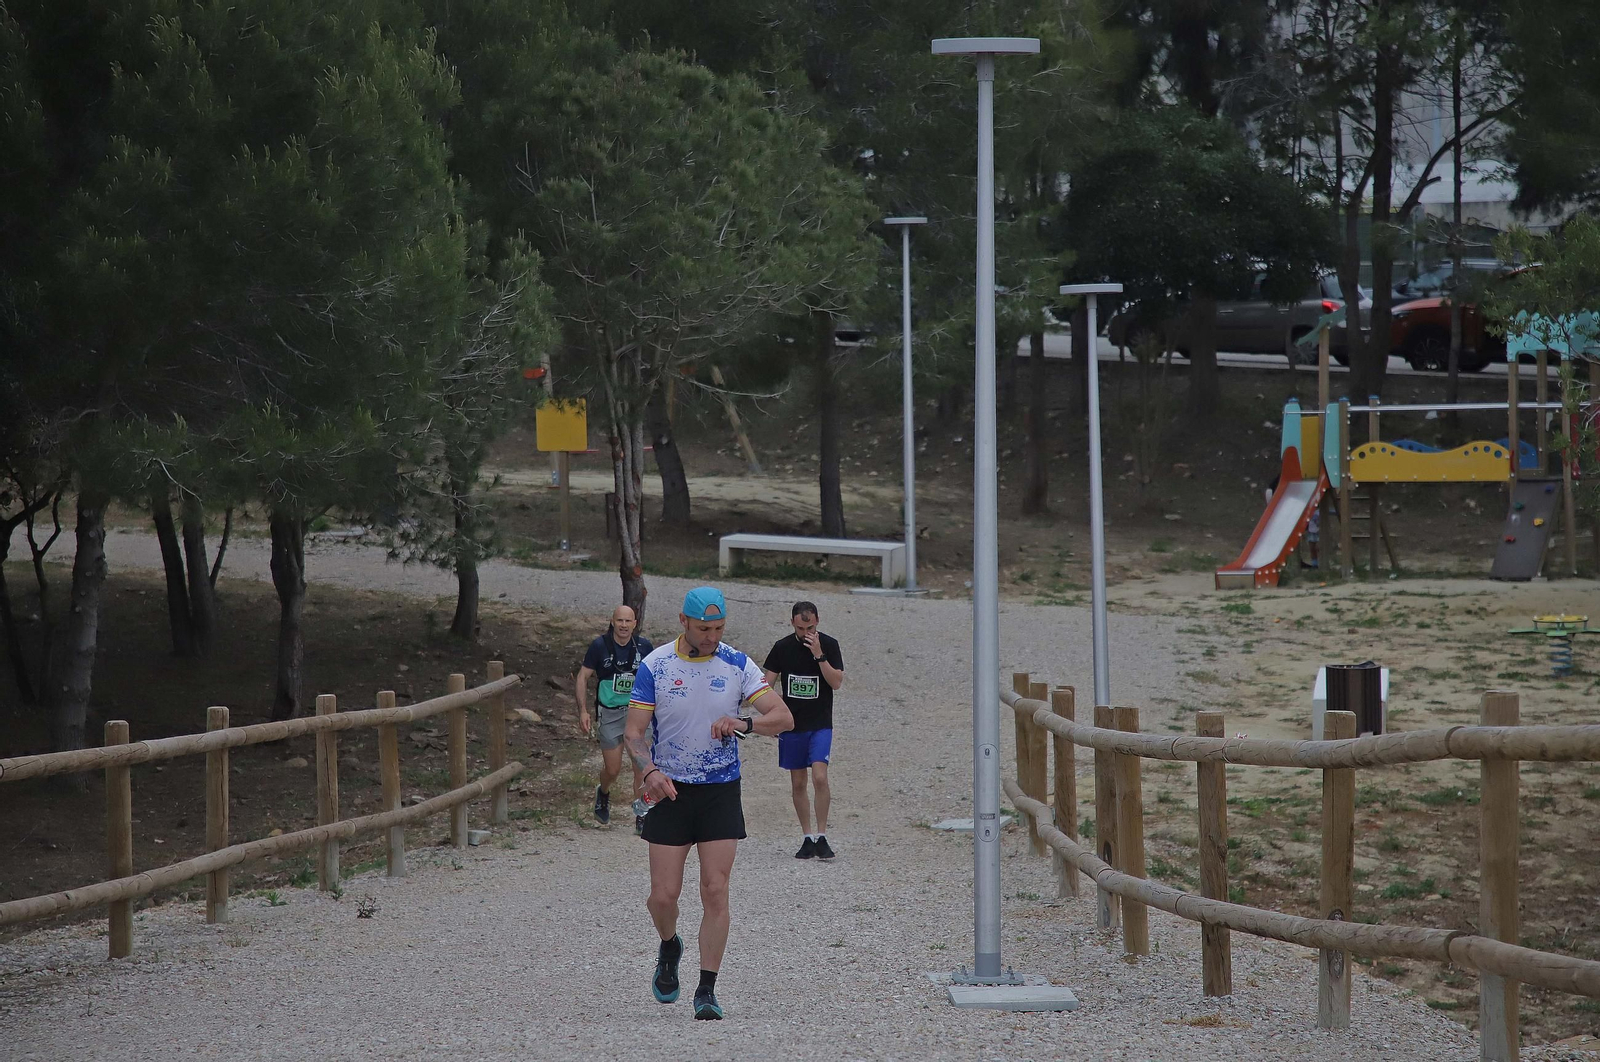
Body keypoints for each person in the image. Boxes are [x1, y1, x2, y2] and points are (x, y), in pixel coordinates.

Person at [625, 586, 793, 1021]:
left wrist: (745, 722)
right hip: (668, 791)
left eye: (719, 628)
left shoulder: (737, 663)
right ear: (683, 621)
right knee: (662, 897)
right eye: (704, 628)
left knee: (715, 889)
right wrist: (649, 773)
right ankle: (669, 945)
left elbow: (784, 718)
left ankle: (706, 989)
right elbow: (634, 733)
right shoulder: (656, 665)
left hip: (720, 790)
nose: (712, 636)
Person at [762, 601, 845, 861]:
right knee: (798, 781)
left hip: (820, 723)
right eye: (800, 627)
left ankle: (822, 835)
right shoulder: (782, 647)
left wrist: (819, 655)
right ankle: (807, 836)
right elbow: (766, 685)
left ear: (817, 622)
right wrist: (771, 718)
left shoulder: (829, 645)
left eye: (809, 627)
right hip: (792, 724)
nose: (805, 632)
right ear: (792, 624)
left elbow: (837, 682)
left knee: (820, 777)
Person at [575, 605, 654, 832]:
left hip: (637, 713)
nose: (623, 625)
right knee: (613, 769)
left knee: (641, 765)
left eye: (627, 621)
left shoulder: (644, 647)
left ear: (634, 623)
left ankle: (642, 814)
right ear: (612, 621)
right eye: (619, 620)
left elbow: (658, 677)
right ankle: (604, 792)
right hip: (610, 713)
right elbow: (582, 677)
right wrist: (583, 710)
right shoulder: (599, 646)